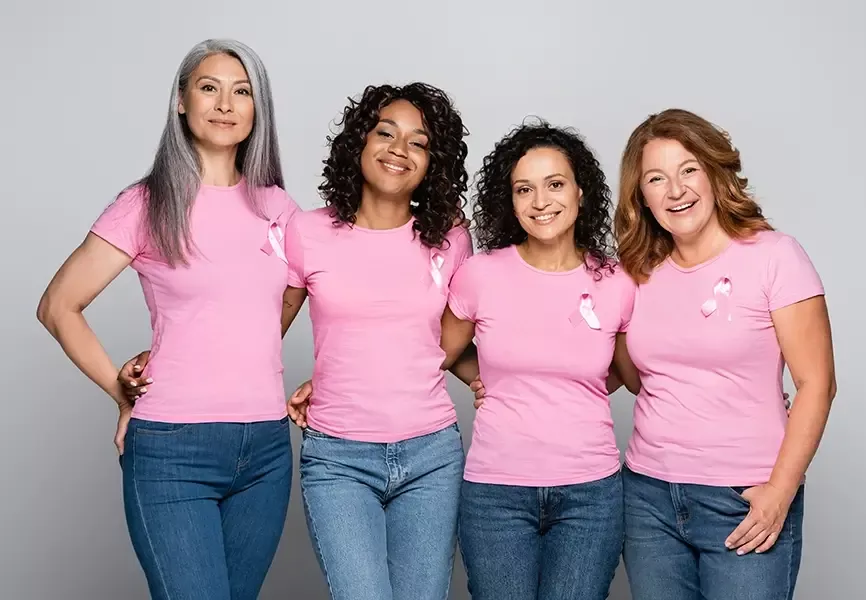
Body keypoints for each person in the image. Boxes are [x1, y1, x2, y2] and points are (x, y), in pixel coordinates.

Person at [36, 39, 299, 600]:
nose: (225, 104)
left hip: (267, 451)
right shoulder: (145, 203)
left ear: (258, 109)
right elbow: (58, 306)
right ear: (182, 101)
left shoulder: (280, 208)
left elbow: (296, 296)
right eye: (209, 88)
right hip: (172, 450)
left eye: (242, 91)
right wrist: (120, 391)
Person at [612, 108, 837, 600]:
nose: (676, 190)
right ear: (642, 196)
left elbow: (818, 383)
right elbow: (625, 373)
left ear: (715, 173)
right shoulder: (635, 271)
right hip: (648, 498)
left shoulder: (775, 256)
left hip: (744, 496)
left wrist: (780, 491)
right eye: (657, 178)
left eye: (688, 169)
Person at [284, 82, 473, 600]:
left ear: (433, 162)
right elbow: (257, 332)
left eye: (419, 142)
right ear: (358, 143)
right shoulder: (306, 231)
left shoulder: (452, 238)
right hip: (338, 458)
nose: (399, 149)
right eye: (386, 133)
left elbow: (446, 340)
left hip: (432, 455)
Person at [439, 120, 634, 600]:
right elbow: (434, 350)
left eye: (554, 184)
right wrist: (478, 377)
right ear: (511, 201)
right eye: (524, 189)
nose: (540, 201)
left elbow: (636, 373)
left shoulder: (616, 282)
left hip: (590, 495)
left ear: (581, 192)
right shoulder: (479, 275)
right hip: (496, 495)